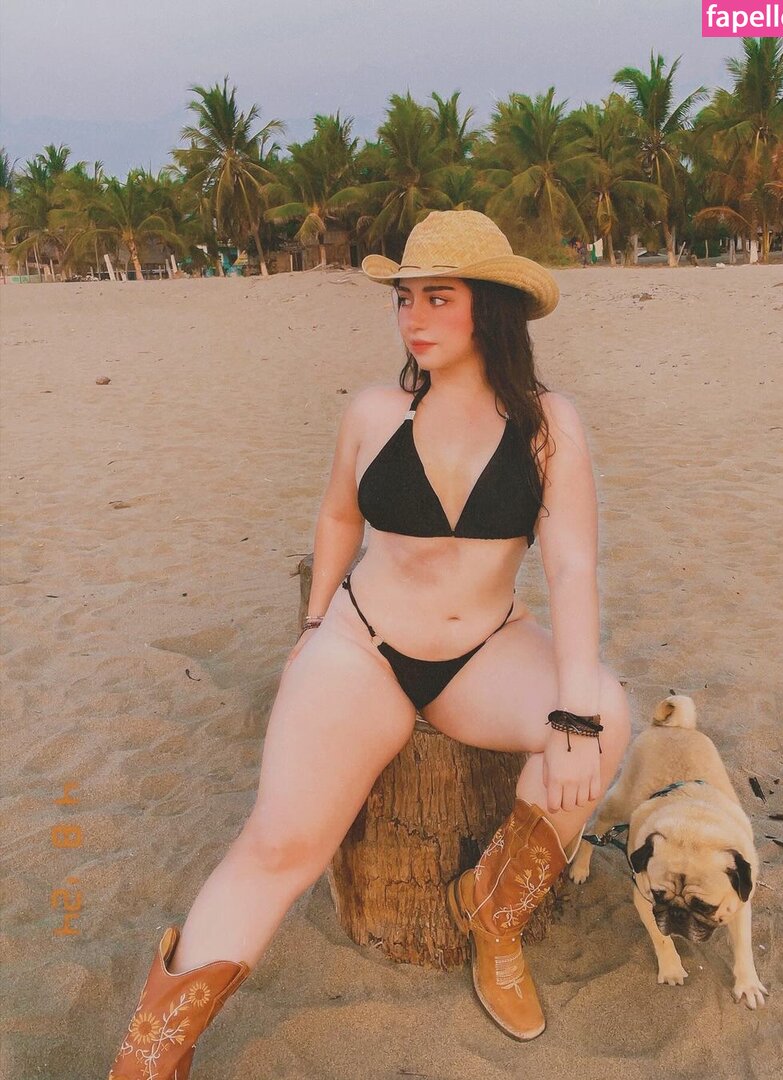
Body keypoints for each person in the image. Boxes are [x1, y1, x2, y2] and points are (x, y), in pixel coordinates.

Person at [108, 210, 631, 1078]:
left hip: (485, 652)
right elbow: (337, 516)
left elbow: (573, 568)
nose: (413, 318)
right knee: (280, 845)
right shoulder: (374, 412)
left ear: (491, 306)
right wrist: (315, 624)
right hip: (365, 647)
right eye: (403, 298)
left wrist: (574, 714)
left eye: (438, 297)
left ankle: (493, 915)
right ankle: (148, 1059)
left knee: (606, 715)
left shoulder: (549, 425)